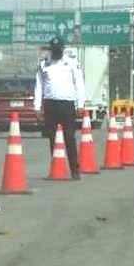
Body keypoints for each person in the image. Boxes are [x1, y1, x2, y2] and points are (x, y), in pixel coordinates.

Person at [33, 36, 85, 180]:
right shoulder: (44, 64)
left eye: (58, 50)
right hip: (50, 104)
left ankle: (75, 170)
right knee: (52, 138)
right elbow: (39, 86)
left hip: (67, 104)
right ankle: (57, 169)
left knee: (69, 137)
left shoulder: (72, 63)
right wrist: (37, 107)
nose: (56, 52)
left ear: (62, 49)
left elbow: (79, 84)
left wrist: (80, 105)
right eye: (54, 50)